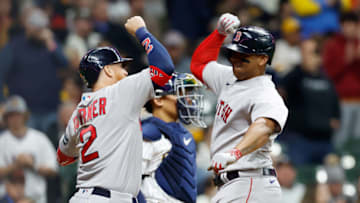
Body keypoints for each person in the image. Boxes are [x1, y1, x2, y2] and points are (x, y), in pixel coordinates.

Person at [57, 16, 174, 203]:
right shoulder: (122, 91)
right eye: (121, 66)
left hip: (82, 196)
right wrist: (141, 31)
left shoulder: (79, 111)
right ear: (108, 70)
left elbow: (63, 157)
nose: (126, 72)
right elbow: (164, 67)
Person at [190, 13, 288, 202]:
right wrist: (218, 34)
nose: (235, 58)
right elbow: (199, 64)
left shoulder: (266, 93)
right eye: (233, 53)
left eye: (243, 55)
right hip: (234, 185)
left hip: (250, 182)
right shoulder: (229, 77)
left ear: (262, 59)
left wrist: (235, 152)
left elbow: (264, 127)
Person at [138, 73, 205, 203]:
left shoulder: (182, 134)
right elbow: (132, 182)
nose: (188, 99)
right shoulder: (149, 132)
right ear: (158, 99)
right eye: (179, 93)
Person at [0, 95, 58, 203]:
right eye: (11, 115)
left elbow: (53, 170)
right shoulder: (2, 141)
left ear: (25, 116)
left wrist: (33, 165)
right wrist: (16, 165)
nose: (15, 119)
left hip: (37, 198)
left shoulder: (40, 138)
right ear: (6, 118)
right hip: (7, 199)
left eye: (18, 115)